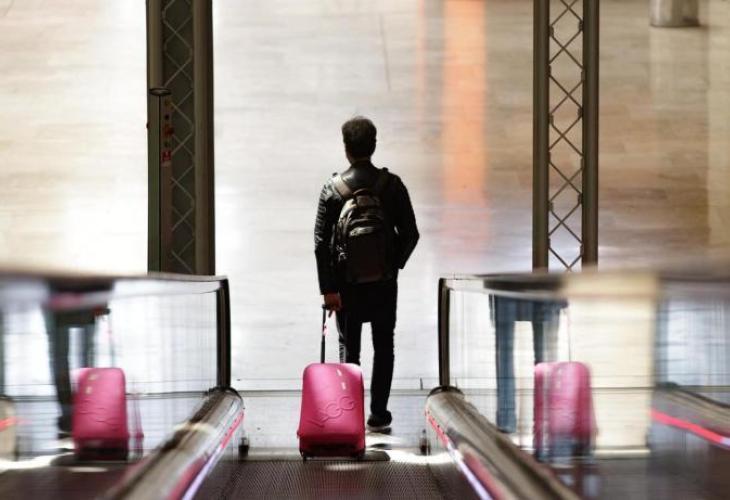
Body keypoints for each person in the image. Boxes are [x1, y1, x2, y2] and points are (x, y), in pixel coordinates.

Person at [314, 116, 419, 432]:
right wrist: (391, 266)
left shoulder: (333, 190)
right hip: (384, 284)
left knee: (350, 348)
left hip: (346, 286)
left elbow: (321, 243)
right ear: (373, 145)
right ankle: (379, 413)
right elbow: (411, 234)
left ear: (346, 148)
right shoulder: (392, 186)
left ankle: (351, 413)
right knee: (384, 345)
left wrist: (329, 289)